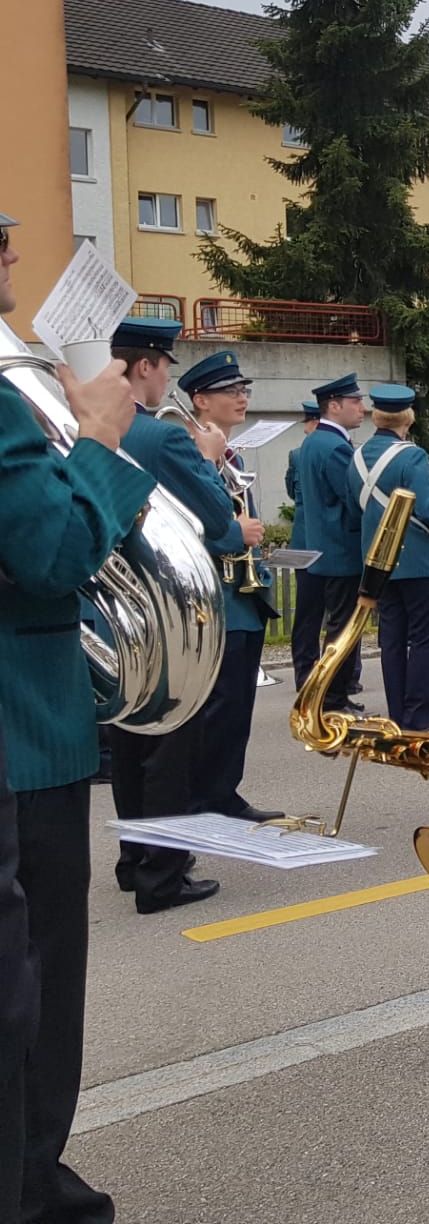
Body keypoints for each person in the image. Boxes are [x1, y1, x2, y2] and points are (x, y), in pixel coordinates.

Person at [0, 210, 152, 1224]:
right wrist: (95, 439)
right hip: (23, 737)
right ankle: (29, 1182)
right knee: (33, 1000)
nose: (13, 253)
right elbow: (53, 556)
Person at [106, 316, 248, 915]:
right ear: (146, 367)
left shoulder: (94, 429)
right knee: (170, 744)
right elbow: (220, 521)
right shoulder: (163, 438)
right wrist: (211, 460)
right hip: (169, 613)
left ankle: (132, 859)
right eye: (165, 367)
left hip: (118, 614)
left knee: (128, 741)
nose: (167, 380)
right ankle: (163, 875)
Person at [178, 349, 278, 821]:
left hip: (244, 596)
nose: (242, 398)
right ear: (200, 400)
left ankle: (224, 793)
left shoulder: (228, 456)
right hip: (215, 599)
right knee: (217, 710)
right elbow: (193, 520)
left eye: (244, 390)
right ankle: (204, 798)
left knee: (237, 708)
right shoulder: (188, 451)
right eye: (230, 392)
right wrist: (239, 533)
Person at [355, 385, 429, 731]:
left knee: (392, 638)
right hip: (417, 559)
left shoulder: (357, 456)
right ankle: (419, 713)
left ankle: (397, 713)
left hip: (377, 561)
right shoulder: (411, 455)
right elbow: (428, 509)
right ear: (408, 417)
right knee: (426, 638)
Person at [296, 374, 368, 709]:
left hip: (324, 549)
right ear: (334, 406)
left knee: (334, 626)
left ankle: (329, 694)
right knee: (343, 631)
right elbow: (353, 501)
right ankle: (334, 697)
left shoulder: (314, 441)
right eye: (355, 402)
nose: (362, 409)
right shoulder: (335, 446)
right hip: (342, 550)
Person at [285, 400, 323, 679]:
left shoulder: (296, 455)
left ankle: (305, 670)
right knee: (339, 614)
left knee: (307, 614)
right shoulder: (338, 450)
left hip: (302, 537)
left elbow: (290, 490)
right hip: (321, 540)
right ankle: (346, 676)